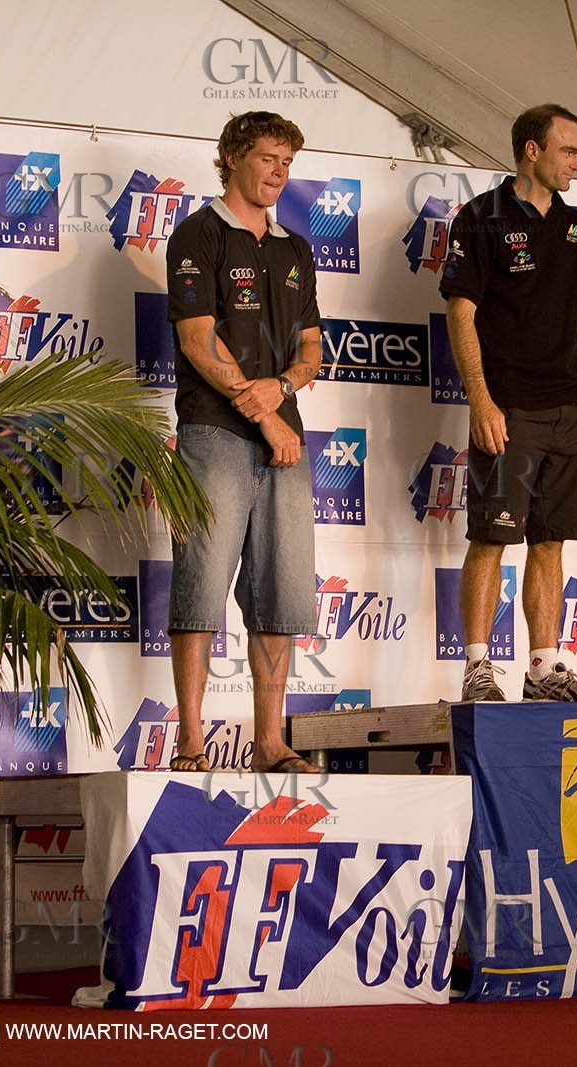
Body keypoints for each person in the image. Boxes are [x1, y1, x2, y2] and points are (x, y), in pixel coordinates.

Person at [440, 103, 577, 703]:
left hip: (571, 410)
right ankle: (477, 670)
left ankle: (543, 671)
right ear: (532, 151)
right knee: (492, 538)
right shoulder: (480, 217)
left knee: (550, 541)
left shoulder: (576, 226)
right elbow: (461, 314)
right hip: (510, 408)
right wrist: (481, 401)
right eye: (568, 151)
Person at [164, 111, 322, 774]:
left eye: (287, 162)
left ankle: (271, 743)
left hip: (284, 437)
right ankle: (191, 742)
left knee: (281, 596)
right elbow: (196, 339)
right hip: (215, 432)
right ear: (232, 157)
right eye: (267, 158)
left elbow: (313, 348)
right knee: (200, 584)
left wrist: (281, 389)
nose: (278, 173)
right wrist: (263, 414)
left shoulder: (295, 249)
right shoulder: (197, 233)